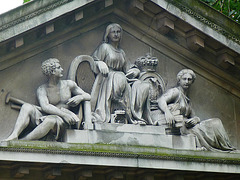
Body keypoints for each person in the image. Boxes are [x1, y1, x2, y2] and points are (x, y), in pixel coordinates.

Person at [4, 58, 91, 141]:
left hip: (64, 121)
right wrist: (63, 114)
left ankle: (23, 141)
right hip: (51, 115)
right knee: (26, 107)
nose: (62, 69)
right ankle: (14, 135)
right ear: (52, 72)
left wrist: (80, 97)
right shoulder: (42, 89)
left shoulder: (69, 84)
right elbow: (45, 107)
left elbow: (88, 96)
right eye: (58, 68)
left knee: (50, 120)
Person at [158, 69, 235, 152]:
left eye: (189, 79)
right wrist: (167, 112)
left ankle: (227, 147)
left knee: (216, 122)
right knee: (216, 123)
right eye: (184, 79)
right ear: (179, 80)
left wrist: (196, 119)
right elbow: (161, 100)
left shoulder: (188, 100)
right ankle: (227, 148)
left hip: (190, 127)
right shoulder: (176, 92)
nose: (187, 81)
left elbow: (193, 116)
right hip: (182, 127)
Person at [91, 23, 152, 125]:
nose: (116, 34)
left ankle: (137, 115)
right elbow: (93, 60)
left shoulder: (121, 52)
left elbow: (128, 67)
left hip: (122, 78)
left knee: (143, 86)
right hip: (108, 78)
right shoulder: (104, 47)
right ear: (108, 34)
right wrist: (99, 63)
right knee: (120, 77)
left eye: (118, 32)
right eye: (113, 32)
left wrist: (135, 71)